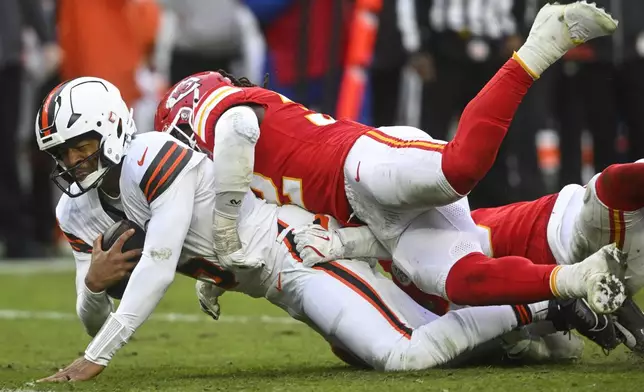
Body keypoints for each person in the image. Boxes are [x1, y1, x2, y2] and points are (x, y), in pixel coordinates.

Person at [34, 77, 615, 382]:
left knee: (405, 354)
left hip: (299, 253)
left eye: (80, 146)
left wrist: (98, 357)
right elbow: (92, 299)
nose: (73, 162)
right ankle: (537, 321)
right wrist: (95, 291)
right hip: (276, 285)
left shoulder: (150, 157)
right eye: (62, 154)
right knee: (409, 340)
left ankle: (545, 307)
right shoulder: (76, 211)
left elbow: (161, 260)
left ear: (111, 129)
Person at [154, 2, 622, 312]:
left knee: (458, 171)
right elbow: (270, 233)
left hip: (360, 163)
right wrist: (223, 273)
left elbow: (237, 133)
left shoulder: (229, 116)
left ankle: (540, 44)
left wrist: (222, 226)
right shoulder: (235, 173)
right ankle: (577, 279)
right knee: (462, 282)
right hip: (370, 220)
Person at [293, 161, 644, 355]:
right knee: (553, 348)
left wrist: (342, 242)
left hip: (544, 237)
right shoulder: (400, 270)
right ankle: (552, 310)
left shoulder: (417, 235)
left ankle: (551, 311)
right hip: (550, 260)